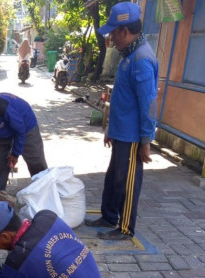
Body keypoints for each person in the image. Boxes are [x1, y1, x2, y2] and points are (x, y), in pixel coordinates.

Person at [84, 2, 158, 241]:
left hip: (133, 136)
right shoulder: (130, 55)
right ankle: (109, 216)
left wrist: (146, 140)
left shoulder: (141, 59)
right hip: (121, 133)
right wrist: (110, 130)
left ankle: (125, 228)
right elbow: (122, 99)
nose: (111, 38)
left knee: (127, 182)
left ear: (125, 31)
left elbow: (148, 104)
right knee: (113, 177)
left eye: (114, 32)